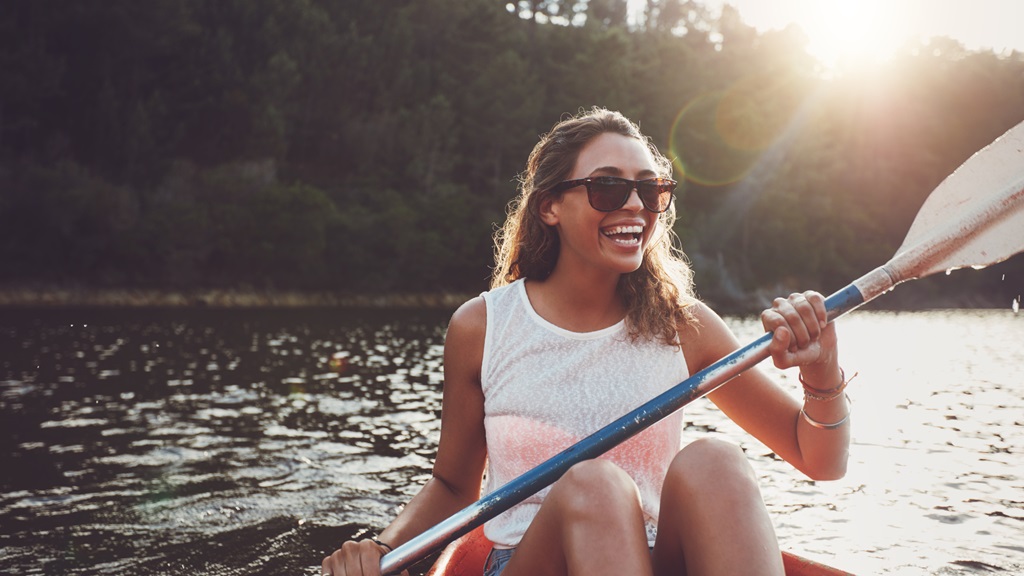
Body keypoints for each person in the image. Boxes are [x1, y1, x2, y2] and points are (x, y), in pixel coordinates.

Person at [321, 107, 851, 576]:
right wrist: (381, 547)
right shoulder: (483, 327)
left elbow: (819, 460)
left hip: (652, 560)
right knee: (593, 486)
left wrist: (821, 369)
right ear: (550, 205)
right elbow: (454, 487)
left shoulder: (681, 325)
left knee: (716, 459)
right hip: (531, 561)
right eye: (608, 187)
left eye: (650, 189)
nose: (636, 206)